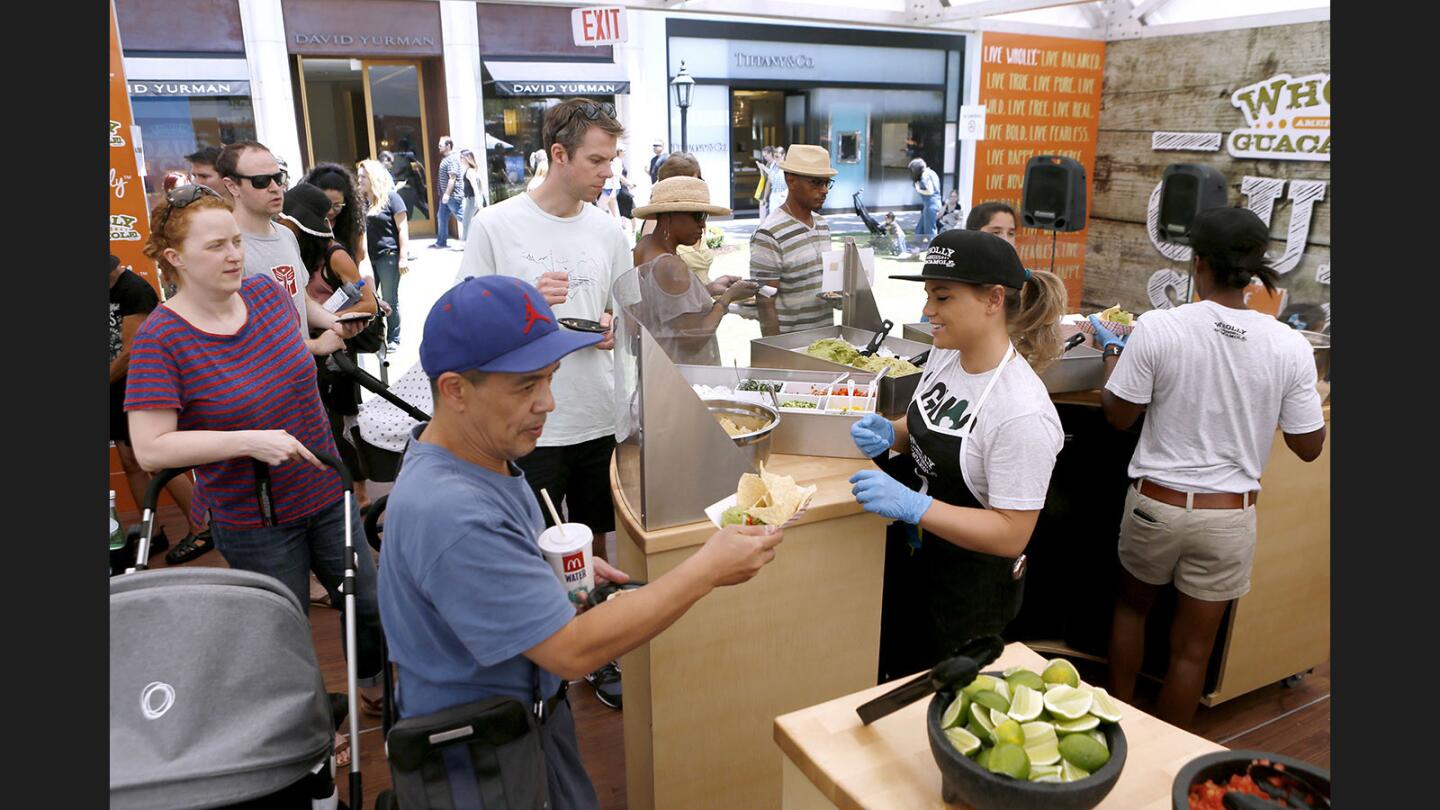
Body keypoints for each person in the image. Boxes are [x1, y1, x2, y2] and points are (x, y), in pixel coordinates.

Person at [377, 275, 784, 808]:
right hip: (481, 751)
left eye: (550, 378)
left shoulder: (482, 456)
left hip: (528, 718)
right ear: (454, 389)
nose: (547, 402)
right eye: (526, 386)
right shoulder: (451, 511)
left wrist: (549, 574)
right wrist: (705, 569)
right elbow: (570, 653)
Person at [126, 185, 387, 764]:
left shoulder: (267, 294)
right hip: (255, 517)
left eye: (237, 242)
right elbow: (149, 448)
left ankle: (374, 689)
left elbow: (291, 357)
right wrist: (245, 441)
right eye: (215, 245)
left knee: (367, 602)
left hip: (325, 486)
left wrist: (328, 339)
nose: (234, 255)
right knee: (284, 633)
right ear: (173, 257)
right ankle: (311, 735)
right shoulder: (161, 338)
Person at [1095, 207, 1326, 728]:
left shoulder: (1159, 328)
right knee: (1192, 651)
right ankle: (1170, 758)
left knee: (1132, 612)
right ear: (1254, 270)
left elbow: (1117, 414)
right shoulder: (1288, 344)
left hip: (1156, 504)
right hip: (1228, 517)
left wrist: (1114, 350)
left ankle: (1114, 730)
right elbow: (1309, 446)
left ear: (1196, 262)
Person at [455, 97, 633, 709]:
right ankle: (541, 658)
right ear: (557, 155)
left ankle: (596, 649)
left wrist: (613, 322)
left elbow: (627, 315)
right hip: (529, 422)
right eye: (596, 159)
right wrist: (523, 298)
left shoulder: (609, 228)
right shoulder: (496, 225)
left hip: (595, 408)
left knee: (596, 542)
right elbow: (464, 323)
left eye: (611, 160)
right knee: (534, 543)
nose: (607, 172)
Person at [848, 228, 1068, 675]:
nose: (928, 310)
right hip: (920, 561)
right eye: (929, 295)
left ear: (993, 299)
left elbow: (1012, 533)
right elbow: (925, 423)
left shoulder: (1021, 413)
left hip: (971, 589)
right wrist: (892, 434)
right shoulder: (947, 354)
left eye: (942, 297)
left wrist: (915, 505)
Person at [216, 140, 361, 357]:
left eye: (278, 178)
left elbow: (301, 301)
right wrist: (316, 346)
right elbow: (240, 336)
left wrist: (337, 323)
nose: (275, 188)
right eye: (261, 181)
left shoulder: (286, 235)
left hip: (301, 377)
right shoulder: (225, 249)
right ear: (232, 186)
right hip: (263, 384)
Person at [110, 254, 210, 563]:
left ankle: (204, 528)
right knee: (130, 461)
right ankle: (151, 532)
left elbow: (130, 354)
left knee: (157, 461)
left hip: (139, 385)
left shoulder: (133, 290)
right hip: (114, 389)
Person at [632, 176, 756, 365]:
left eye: (704, 217)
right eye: (697, 216)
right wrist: (727, 299)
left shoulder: (644, 246)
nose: (703, 225)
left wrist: (710, 289)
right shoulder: (671, 266)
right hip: (683, 376)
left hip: (656, 368)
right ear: (668, 216)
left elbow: (667, 307)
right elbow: (692, 339)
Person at [751, 144, 834, 337]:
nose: (824, 190)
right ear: (791, 181)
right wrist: (777, 354)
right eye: (816, 182)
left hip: (826, 343)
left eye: (827, 183)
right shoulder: (769, 233)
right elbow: (765, 302)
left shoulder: (822, 224)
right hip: (791, 348)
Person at [357, 158, 410, 353]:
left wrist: (403, 256)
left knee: (389, 298)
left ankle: (393, 337)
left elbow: (402, 228)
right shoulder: (360, 202)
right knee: (371, 298)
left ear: (373, 177)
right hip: (367, 259)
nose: (360, 179)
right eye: (359, 176)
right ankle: (376, 336)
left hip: (388, 256)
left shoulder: (392, 198)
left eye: (363, 176)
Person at [433, 136, 464, 250]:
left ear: (448, 146)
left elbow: (452, 178)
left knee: (462, 216)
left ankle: (477, 235)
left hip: (452, 195)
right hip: (445, 197)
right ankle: (441, 242)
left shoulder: (451, 159)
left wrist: (447, 194)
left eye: (441, 145)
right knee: (441, 217)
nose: (439, 147)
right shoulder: (446, 159)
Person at [910, 158, 943, 248]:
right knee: (920, 229)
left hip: (931, 204)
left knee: (930, 231)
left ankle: (934, 249)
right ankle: (915, 248)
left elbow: (930, 191)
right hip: (935, 203)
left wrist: (918, 189)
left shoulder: (925, 175)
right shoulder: (932, 172)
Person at [459, 148, 485, 240]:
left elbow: (475, 186)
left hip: (472, 200)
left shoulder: (469, 171)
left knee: (466, 222)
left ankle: (465, 243)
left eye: (462, 157)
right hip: (473, 199)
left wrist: (478, 201)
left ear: (467, 158)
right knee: (470, 222)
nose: (460, 159)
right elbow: (480, 185)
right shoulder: (473, 170)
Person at [766, 146, 789, 212]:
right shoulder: (773, 165)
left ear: (783, 155)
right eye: (775, 157)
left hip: (784, 194)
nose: (776, 159)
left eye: (777, 157)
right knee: (773, 216)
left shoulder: (787, 166)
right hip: (774, 194)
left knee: (783, 216)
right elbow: (769, 180)